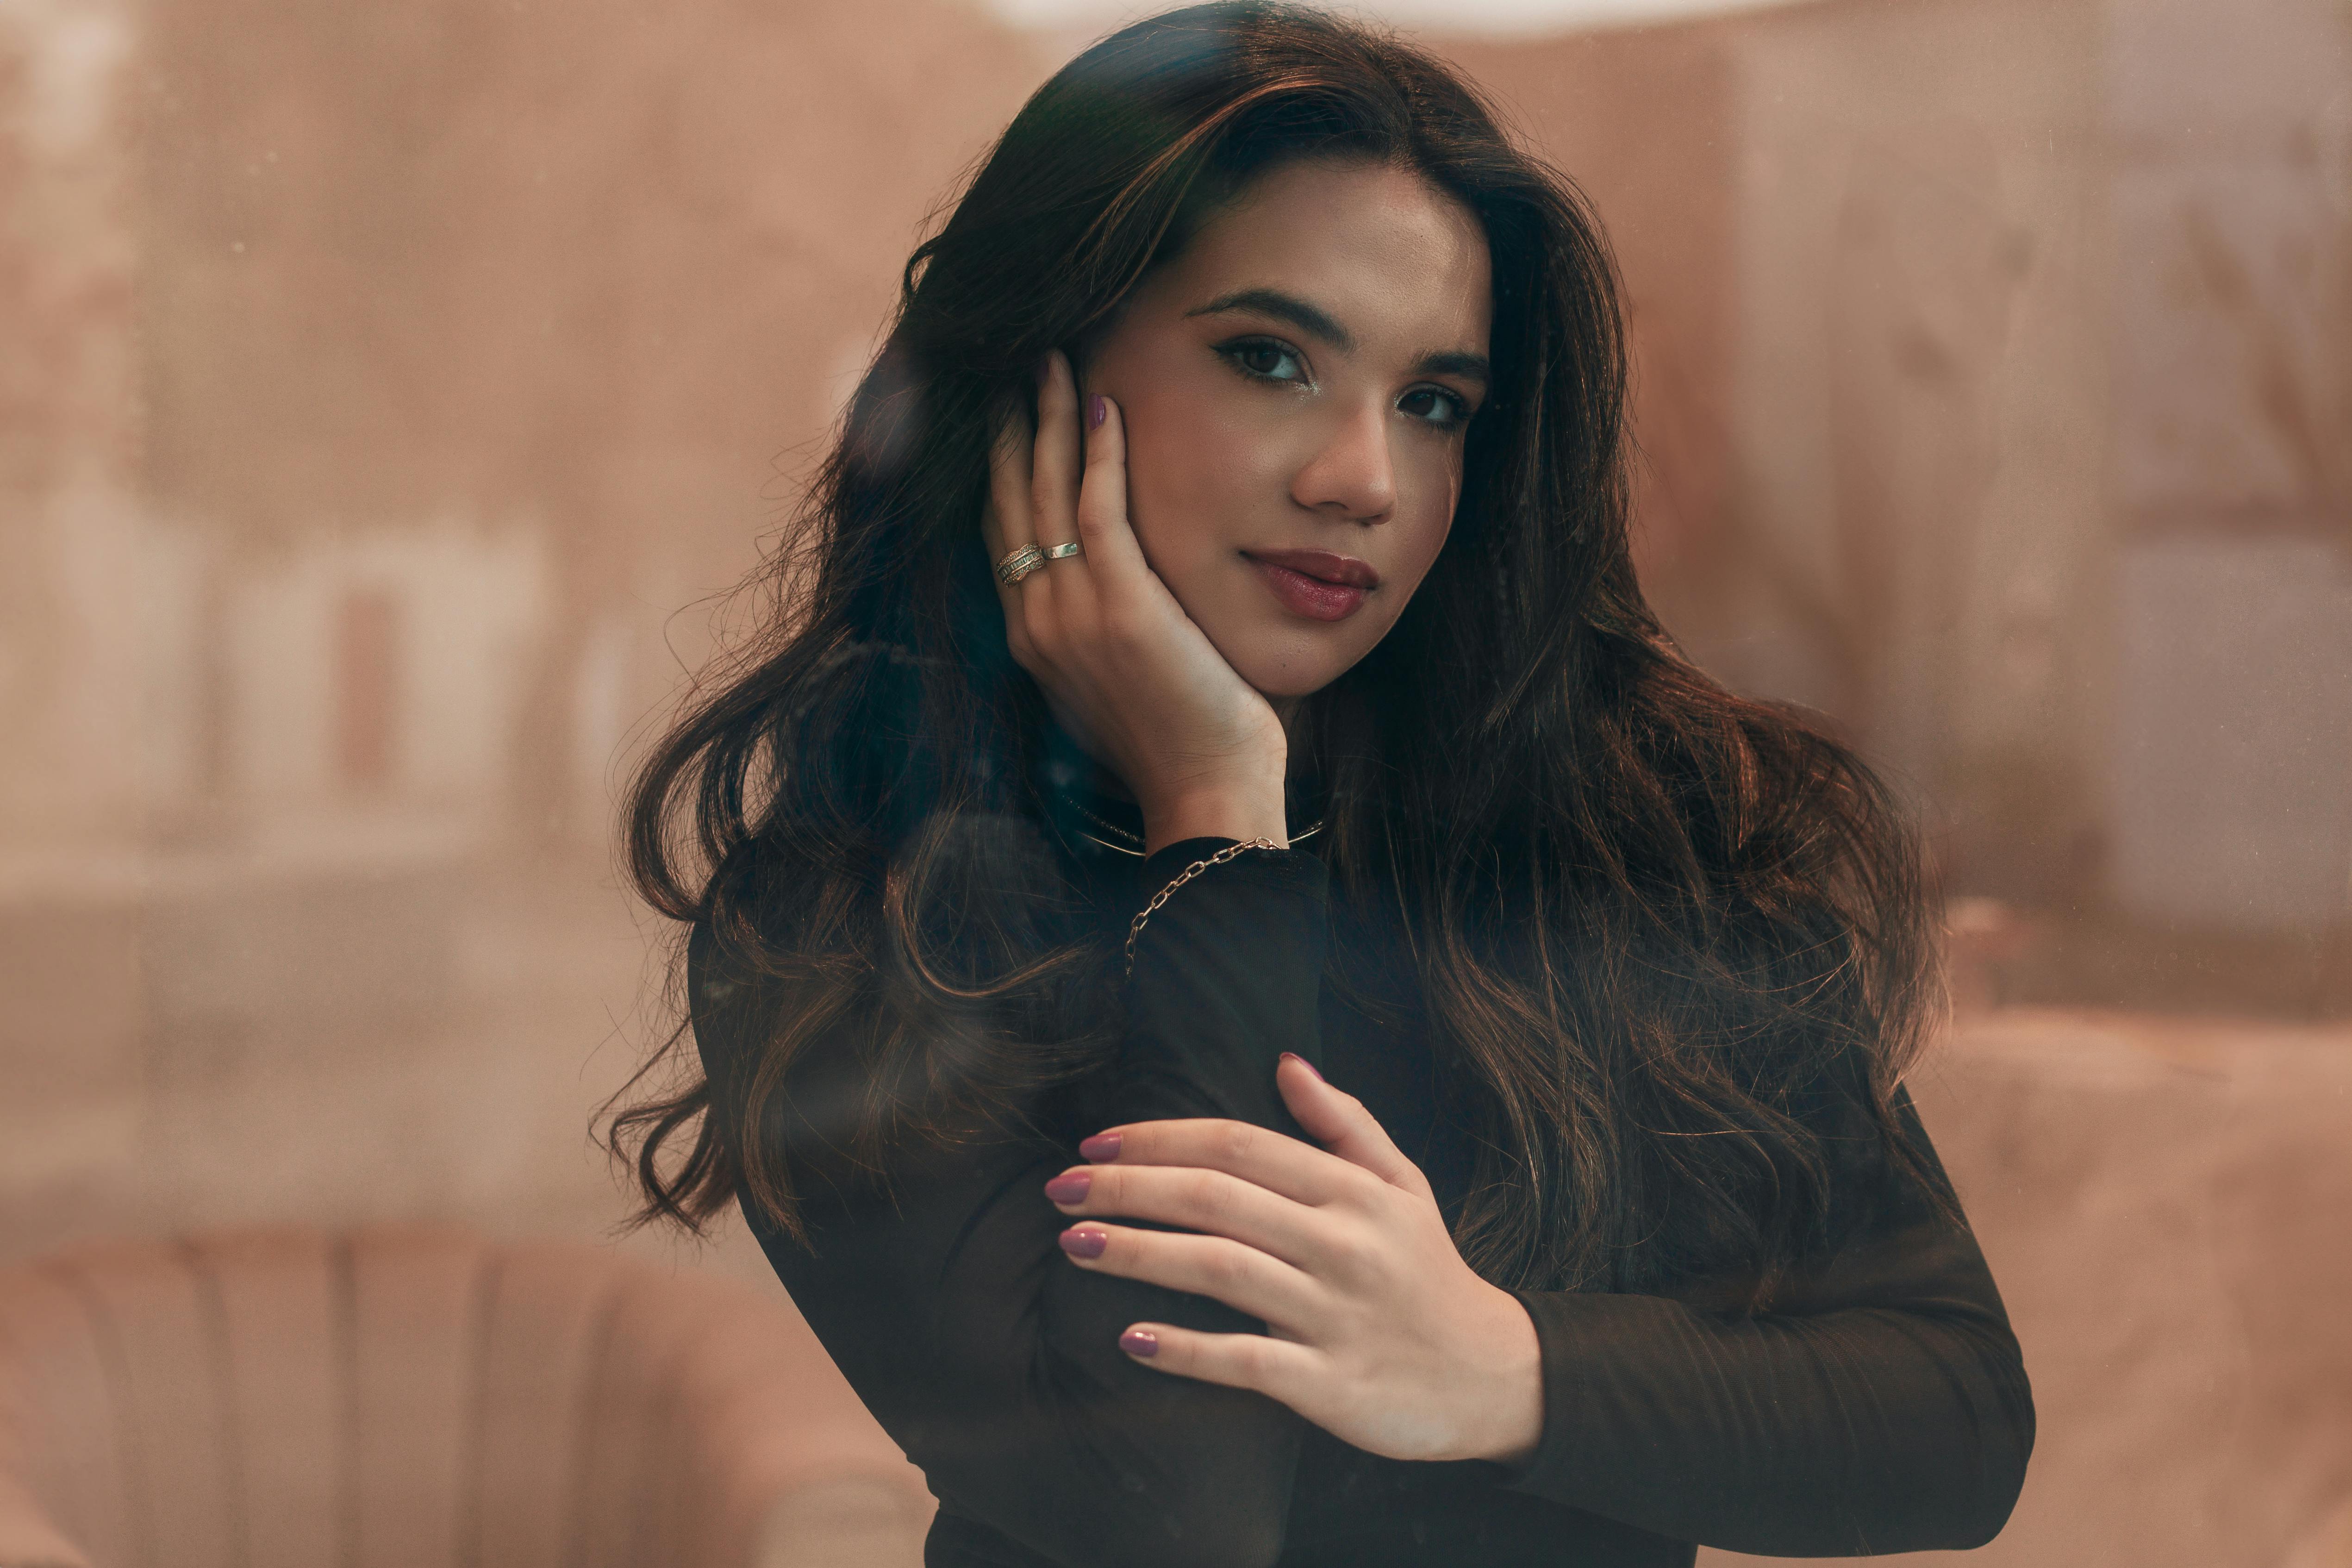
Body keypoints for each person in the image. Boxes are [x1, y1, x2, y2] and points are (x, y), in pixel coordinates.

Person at [598, 4, 2036, 1564]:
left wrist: (1499, 1371)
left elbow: (1952, 1418)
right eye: (1269, 358)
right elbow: (1172, 1519)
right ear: (1030, 376)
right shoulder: (846, 922)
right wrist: (1215, 807)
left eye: (1434, 403)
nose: (1364, 476)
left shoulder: (1625, 827)